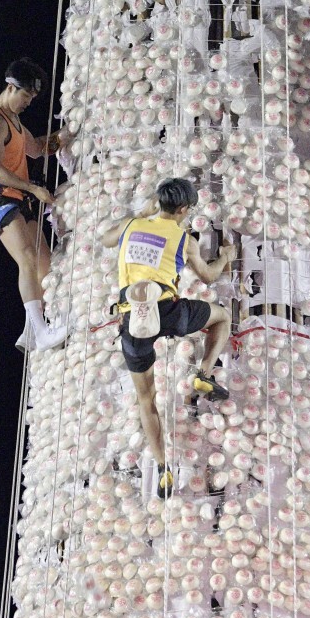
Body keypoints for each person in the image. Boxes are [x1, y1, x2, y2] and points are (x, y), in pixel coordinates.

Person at [100, 178, 237, 500]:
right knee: (222, 316)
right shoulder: (183, 238)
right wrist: (226, 256)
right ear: (184, 210)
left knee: (146, 400)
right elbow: (209, 276)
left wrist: (140, 215)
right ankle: (203, 373)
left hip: (131, 316)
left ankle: (163, 469)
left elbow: (106, 239)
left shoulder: (130, 226)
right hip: (169, 311)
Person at [0, 57, 68, 351]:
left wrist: (63, 137)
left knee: (44, 262)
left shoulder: (15, 122)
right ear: (11, 87)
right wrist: (33, 190)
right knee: (26, 258)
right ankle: (40, 333)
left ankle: (30, 329)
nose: (28, 102)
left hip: (17, 199)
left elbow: (37, 150)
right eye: (26, 96)